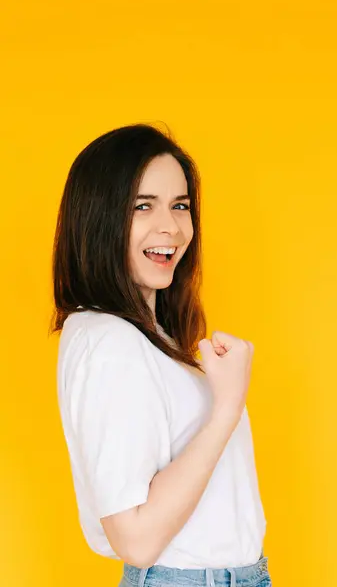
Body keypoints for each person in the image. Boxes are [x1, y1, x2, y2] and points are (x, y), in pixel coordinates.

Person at [50, 123, 272, 587]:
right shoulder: (109, 339)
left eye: (180, 206)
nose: (171, 227)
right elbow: (135, 538)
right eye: (142, 206)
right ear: (99, 217)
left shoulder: (146, 337)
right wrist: (226, 406)